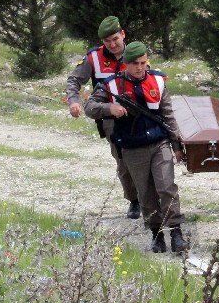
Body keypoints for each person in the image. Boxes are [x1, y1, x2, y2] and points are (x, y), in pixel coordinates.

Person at [85, 41, 189, 254]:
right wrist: (109, 108)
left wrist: (177, 145)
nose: (140, 67)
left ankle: (176, 231)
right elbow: (90, 107)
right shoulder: (112, 85)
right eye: (134, 64)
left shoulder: (158, 81)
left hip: (159, 143)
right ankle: (156, 232)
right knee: (145, 193)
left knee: (166, 187)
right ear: (125, 64)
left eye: (143, 62)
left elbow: (168, 116)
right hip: (133, 148)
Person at [65, 16, 141, 220]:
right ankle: (134, 200)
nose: (113, 45)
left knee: (145, 154)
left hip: (137, 114)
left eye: (115, 39)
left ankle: (151, 197)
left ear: (123, 34)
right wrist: (73, 100)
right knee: (123, 158)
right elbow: (74, 80)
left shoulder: (136, 53)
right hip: (109, 116)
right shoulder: (93, 58)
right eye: (107, 41)